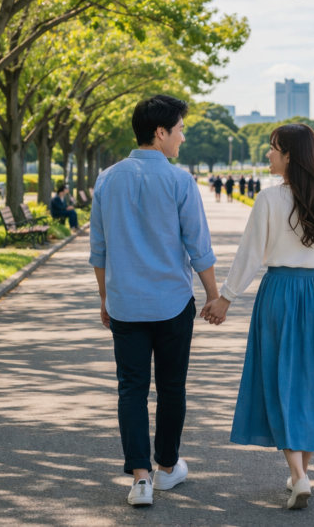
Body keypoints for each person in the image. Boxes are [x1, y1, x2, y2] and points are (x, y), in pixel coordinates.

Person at [202, 123, 314, 511]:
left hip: (279, 294)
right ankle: (301, 473)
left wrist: (225, 298)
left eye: (273, 148)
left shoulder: (268, 198)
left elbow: (250, 253)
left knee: (279, 379)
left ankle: (298, 475)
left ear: (289, 155)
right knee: (313, 382)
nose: (268, 154)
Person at [89, 94, 220, 508]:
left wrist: (105, 298)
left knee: (131, 389)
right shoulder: (181, 181)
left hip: (125, 303)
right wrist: (214, 295)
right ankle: (166, 467)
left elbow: (99, 250)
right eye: (180, 129)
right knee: (171, 387)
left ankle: (140, 480)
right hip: (172, 302)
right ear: (160, 132)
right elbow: (198, 247)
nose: (183, 137)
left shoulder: (107, 179)